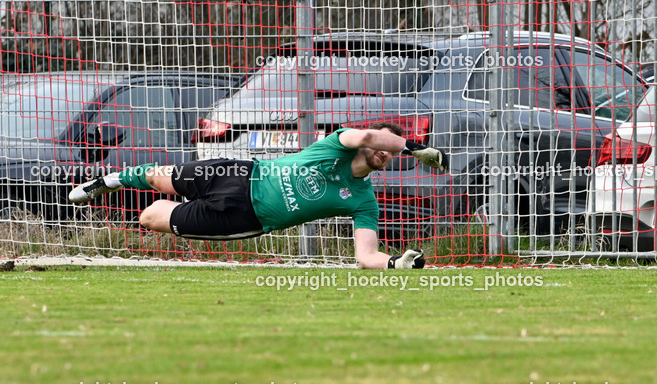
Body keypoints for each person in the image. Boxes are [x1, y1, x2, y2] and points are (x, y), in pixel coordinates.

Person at [68, 122, 449, 269]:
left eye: (392, 153)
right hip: (239, 174)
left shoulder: (364, 200)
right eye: (387, 144)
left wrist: (396, 264)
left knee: (150, 216)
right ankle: (110, 180)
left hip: (246, 220)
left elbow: (365, 255)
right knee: (156, 178)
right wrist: (413, 147)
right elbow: (366, 137)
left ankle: (185, 212)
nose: (384, 152)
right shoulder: (339, 145)